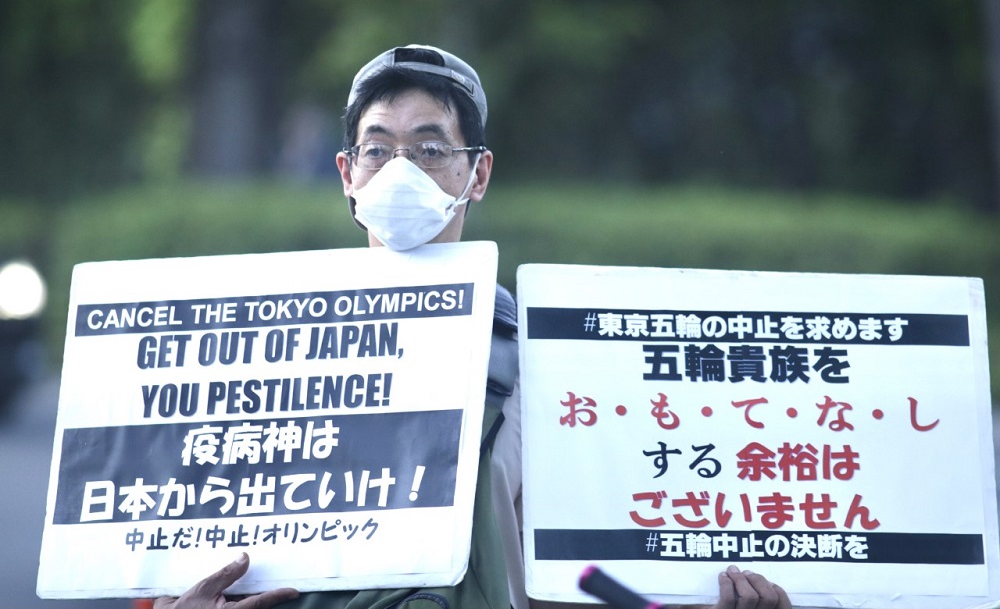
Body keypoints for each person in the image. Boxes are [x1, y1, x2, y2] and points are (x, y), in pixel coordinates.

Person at [155, 44, 792, 609]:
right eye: (377, 149)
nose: (401, 170)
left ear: (477, 174)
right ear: (347, 176)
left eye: (431, 149)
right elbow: (188, 557)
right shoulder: (256, 359)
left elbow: (591, 576)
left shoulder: (544, 367)